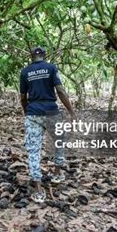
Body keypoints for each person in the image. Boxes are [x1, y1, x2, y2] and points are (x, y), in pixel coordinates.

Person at [19, 46, 75, 203]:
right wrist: (71, 112)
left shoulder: (25, 72)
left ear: (31, 57)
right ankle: (57, 174)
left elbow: (23, 96)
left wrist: (27, 112)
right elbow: (61, 91)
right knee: (59, 141)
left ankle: (38, 190)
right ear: (44, 55)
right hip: (51, 112)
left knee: (33, 150)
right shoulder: (51, 68)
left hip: (33, 113)